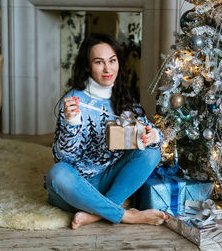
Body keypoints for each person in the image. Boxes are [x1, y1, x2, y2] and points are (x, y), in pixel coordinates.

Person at [45, 33, 168, 229]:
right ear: (87, 66)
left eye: (112, 61)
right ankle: (126, 216)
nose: (108, 69)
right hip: (77, 188)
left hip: (111, 181)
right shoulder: (74, 101)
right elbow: (63, 158)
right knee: (57, 173)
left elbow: (151, 139)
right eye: (99, 62)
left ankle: (97, 213)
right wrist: (71, 123)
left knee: (152, 153)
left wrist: (153, 135)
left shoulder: (124, 97)